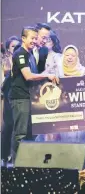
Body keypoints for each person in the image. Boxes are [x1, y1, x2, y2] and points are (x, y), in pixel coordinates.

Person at [9, 26, 58, 161]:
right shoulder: (20, 53)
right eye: (32, 38)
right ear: (23, 38)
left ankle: (27, 163)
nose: (34, 41)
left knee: (30, 133)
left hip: (29, 97)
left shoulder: (30, 54)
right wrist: (46, 75)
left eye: (36, 38)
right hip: (20, 98)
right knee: (21, 133)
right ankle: (17, 164)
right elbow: (28, 76)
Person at [1, 36, 21, 166]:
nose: (15, 48)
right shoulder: (4, 62)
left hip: (19, 97)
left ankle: (16, 156)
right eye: (13, 46)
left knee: (17, 128)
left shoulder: (23, 59)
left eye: (17, 46)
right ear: (8, 48)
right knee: (8, 126)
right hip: (6, 98)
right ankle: (4, 156)